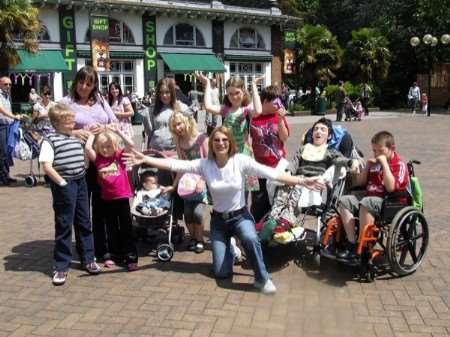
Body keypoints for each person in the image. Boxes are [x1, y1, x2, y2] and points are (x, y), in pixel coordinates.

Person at [124, 126, 324, 294]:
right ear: (211, 144)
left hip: (240, 216)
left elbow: (272, 173)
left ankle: (262, 279)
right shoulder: (205, 164)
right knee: (221, 273)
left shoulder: (240, 161)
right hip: (219, 223)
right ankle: (229, 247)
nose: (221, 143)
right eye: (217, 140)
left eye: (224, 140)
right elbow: (175, 163)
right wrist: (146, 159)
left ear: (230, 143)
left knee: (250, 238)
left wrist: (302, 180)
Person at [59, 66, 117, 263]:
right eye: (81, 82)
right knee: (81, 208)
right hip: (77, 160)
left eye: (89, 83)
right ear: (75, 82)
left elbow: (115, 122)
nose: (84, 86)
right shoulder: (66, 103)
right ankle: (85, 249)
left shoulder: (100, 100)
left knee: (101, 205)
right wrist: (74, 133)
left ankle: (102, 249)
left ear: (94, 86)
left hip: (101, 159)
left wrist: (105, 126)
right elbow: (52, 127)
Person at [39, 103, 101, 285]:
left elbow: (85, 156)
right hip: (64, 184)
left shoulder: (75, 138)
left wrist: (91, 140)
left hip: (80, 181)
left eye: (72, 120)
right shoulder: (50, 140)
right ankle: (61, 266)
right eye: (68, 121)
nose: (73, 123)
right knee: (64, 224)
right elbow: (47, 166)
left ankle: (88, 258)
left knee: (84, 221)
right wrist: (62, 182)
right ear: (57, 123)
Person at [336, 131, 409, 261]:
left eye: (380, 151)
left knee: (366, 202)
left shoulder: (399, 165)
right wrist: (368, 166)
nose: (376, 154)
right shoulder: (374, 164)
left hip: (390, 202)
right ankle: (352, 243)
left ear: (392, 149)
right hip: (369, 198)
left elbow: (391, 187)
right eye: (374, 151)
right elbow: (361, 183)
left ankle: (364, 247)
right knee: (344, 200)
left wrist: (385, 165)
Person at [196, 71, 263, 194]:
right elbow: (208, 106)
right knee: (230, 189)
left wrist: (253, 85)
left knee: (244, 191)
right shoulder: (226, 110)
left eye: (237, 93)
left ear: (243, 91)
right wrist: (207, 84)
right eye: (230, 94)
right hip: (228, 155)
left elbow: (258, 110)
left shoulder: (246, 110)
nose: (234, 97)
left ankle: (243, 212)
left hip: (243, 154)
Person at [85, 124, 138, 271]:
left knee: (126, 227)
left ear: (114, 145)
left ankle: (131, 256)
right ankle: (114, 255)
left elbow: (131, 144)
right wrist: (91, 134)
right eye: (102, 147)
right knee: (111, 227)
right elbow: (88, 149)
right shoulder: (98, 159)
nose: (105, 150)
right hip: (106, 199)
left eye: (108, 146)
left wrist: (117, 131)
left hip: (122, 198)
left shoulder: (119, 155)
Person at [168, 111, 208, 253]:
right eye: (174, 126)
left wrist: (203, 181)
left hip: (200, 181)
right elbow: (181, 165)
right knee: (187, 213)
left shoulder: (201, 138)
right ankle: (193, 238)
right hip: (187, 183)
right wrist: (174, 185)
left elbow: (209, 162)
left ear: (186, 121)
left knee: (197, 212)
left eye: (179, 124)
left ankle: (200, 239)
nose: (177, 128)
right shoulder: (179, 142)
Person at [249, 85, 290, 222]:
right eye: (276, 101)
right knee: (259, 202)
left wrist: (280, 120)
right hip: (258, 167)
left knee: (276, 201)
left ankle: (272, 231)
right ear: (265, 101)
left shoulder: (278, 116)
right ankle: (257, 229)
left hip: (277, 165)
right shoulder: (254, 116)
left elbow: (284, 138)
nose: (279, 104)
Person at [145, 78, 188, 151]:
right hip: (156, 150)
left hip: (175, 151)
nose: (164, 95)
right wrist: (148, 148)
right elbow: (151, 133)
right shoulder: (152, 109)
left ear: (172, 92)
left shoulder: (182, 108)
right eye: (161, 92)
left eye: (167, 92)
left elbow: (188, 131)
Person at [0, 76, 24, 186]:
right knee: (3, 152)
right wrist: (14, 116)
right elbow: (1, 109)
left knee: (7, 152)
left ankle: (6, 175)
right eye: (5, 84)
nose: (8, 86)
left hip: (8, 125)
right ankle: (2, 178)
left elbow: (7, 110)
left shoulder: (7, 95)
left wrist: (16, 117)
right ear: (0, 84)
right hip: (1, 126)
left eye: (10, 84)